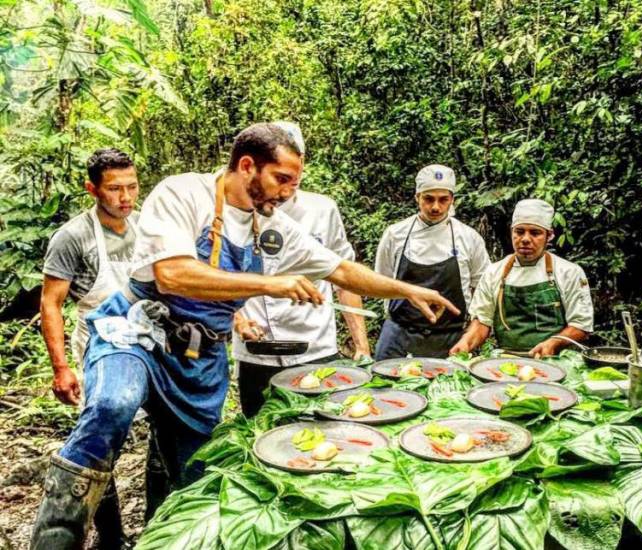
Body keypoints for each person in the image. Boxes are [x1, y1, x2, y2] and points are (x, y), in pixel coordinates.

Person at [29, 123, 458, 550]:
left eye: (295, 182)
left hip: (200, 357)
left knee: (195, 476)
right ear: (248, 165)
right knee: (113, 403)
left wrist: (407, 289)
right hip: (139, 330)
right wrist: (271, 283)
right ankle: (54, 540)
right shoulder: (183, 192)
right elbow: (173, 273)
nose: (288, 192)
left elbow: (340, 269)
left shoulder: (270, 226)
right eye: (282, 179)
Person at [232, 122, 372, 417]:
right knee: (260, 433)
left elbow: (344, 279)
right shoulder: (235, 210)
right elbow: (216, 277)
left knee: (326, 428)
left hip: (316, 348)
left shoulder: (322, 210)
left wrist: (362, 345)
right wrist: (238, 317)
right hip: (258, 352)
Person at [39, 148, 139, 547]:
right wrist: (62, 368)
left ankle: (162, 519)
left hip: (151, 338)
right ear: (92, 188)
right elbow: (51, 303)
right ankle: (111, 537)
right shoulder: (72, 237)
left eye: (132, 186)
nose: (126, 197)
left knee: (164, 433)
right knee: (101, 437)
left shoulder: (148, 226)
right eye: (115, 189)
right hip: (99, 341)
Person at [450, 199, 594, 357]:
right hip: (506, 360)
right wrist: (466, 342)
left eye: (535, 233)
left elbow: (581, 325)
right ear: (512, 232)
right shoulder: (494, 272)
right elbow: (482, 321)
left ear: (549, 236)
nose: (525, 239)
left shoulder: (569, 272)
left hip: (556, 360)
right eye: (519, 231)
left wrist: (554, 342)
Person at [373, 164, 490, 359]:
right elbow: (380, 282)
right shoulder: (395, 234)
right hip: (399, 335)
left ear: (452, 200)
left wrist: (471, 332)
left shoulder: (469, 238)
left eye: (443, 200)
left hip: (450, 337)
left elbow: (483, 289)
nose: (436, 206)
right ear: (417, 197)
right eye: (429, 199)